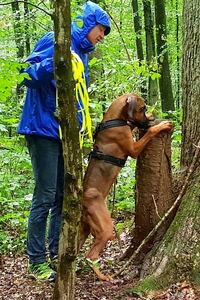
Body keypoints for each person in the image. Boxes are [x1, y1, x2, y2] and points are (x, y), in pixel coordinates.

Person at [18, 1, 111, 281]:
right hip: (42, 129)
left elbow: (76, 96)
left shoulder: (82, 53)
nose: (102, 36)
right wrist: (56, 61)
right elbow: (27, 75)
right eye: (101, 29)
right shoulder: (55, 40)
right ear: (87, 23)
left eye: (105, 32)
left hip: (65, 134)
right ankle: (36, 262)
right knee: (45, 196)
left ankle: (55, 254)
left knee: (62, 196)